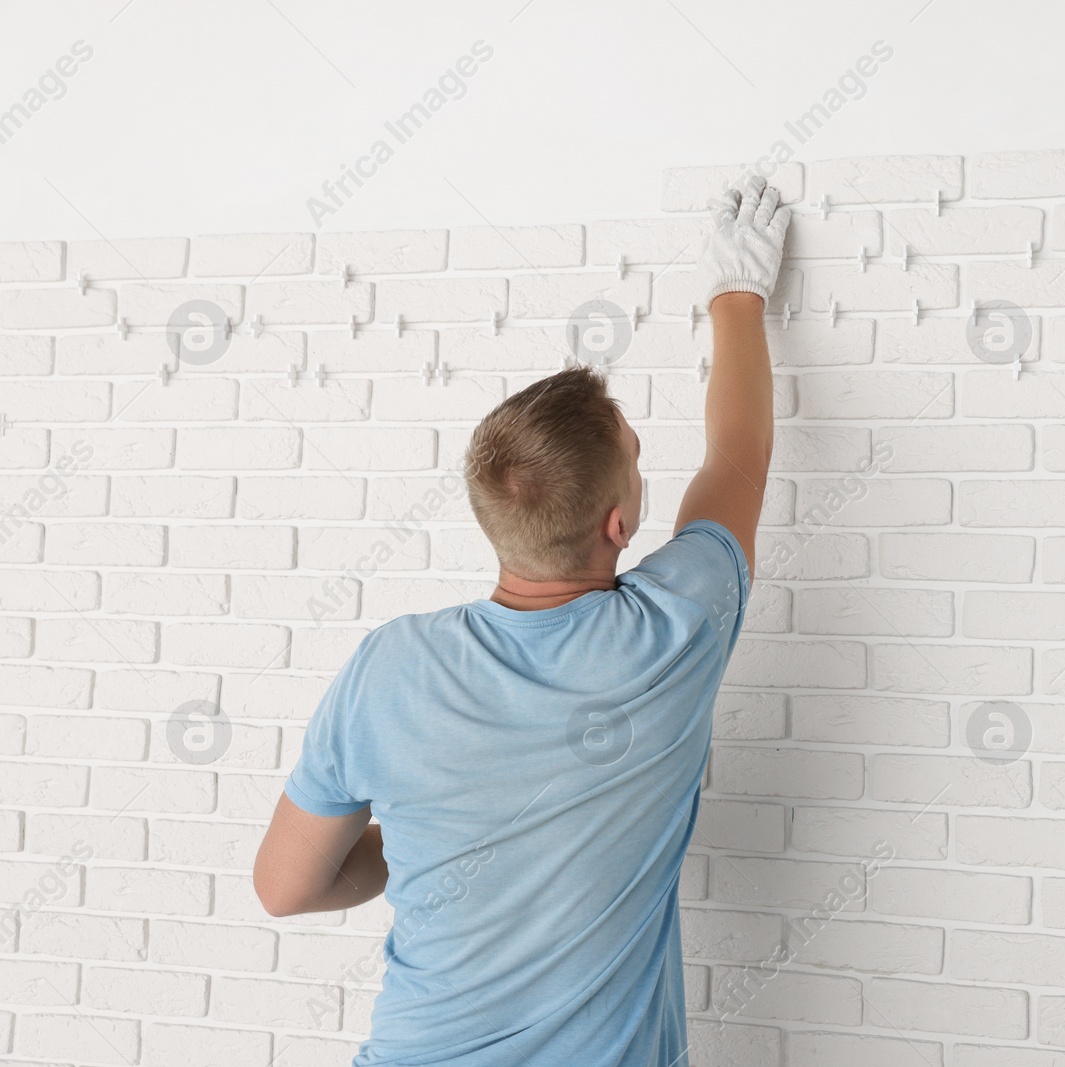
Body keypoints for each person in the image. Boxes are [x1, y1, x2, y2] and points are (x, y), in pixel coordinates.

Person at [252, 175, 793, 1066]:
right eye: (633, 455)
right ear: (619, 525)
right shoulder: (676, 628)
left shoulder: (387, 667)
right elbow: (740, 457)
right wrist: (736, 293)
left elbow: (284, 886)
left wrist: (447, 836)